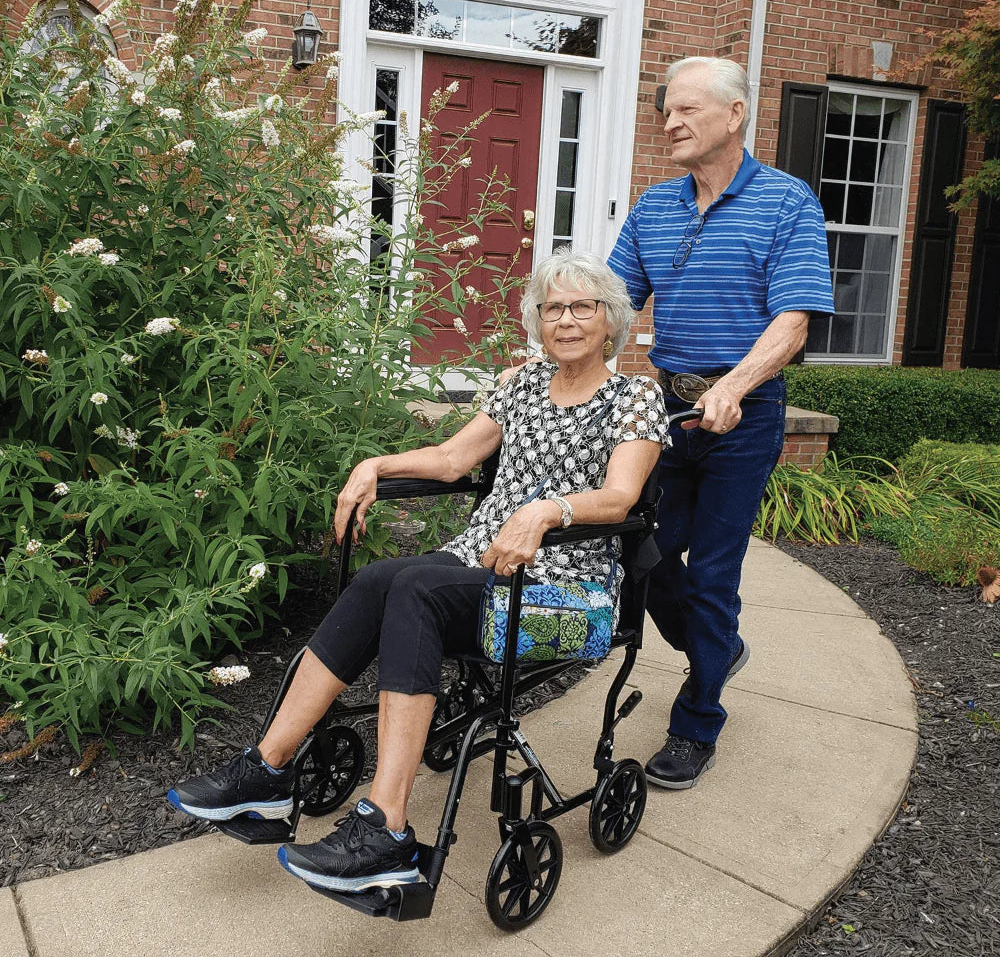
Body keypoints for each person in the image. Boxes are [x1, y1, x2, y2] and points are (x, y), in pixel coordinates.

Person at [167, 248, 668, 894]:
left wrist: (547, 511)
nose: (566, 320)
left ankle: (388, 831)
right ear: (536, 320)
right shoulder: (519, 384)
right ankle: (266, 771)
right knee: (382, 579)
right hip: (476, 569)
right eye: (552, 308)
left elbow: (621, 497)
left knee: (417, 588)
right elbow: (452, 458)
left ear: (610, 320)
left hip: (565, 592)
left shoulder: (634, 396)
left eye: (582, 307)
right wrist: (375, 464)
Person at [606, 56, 835, 790]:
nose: (669, 123)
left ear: (735, 115)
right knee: (635, 550)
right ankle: (718, 647)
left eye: (687, 111)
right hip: (666, 408)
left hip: (745, 413)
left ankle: (697, 723)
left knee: (710, 574)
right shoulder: (653, 208)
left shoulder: (786, 202)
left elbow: (793, 320)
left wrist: (735, 384)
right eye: (666, 111)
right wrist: (550, 362)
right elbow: (612, 309)